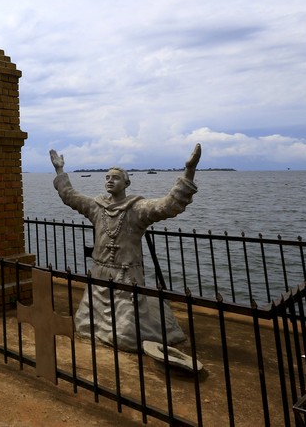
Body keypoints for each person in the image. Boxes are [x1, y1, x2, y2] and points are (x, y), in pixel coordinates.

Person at [49, 144, 201, 352]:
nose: (110, 180)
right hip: (98, 278)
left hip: (125, 279)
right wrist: (59, 169)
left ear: (126, 183)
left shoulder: (137, 209)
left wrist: (189, 170)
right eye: (107, 177)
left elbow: (169, 205)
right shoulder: (96, 206)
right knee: (84, 326)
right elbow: (70, 196)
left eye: (115, 177)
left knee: (126, 336)